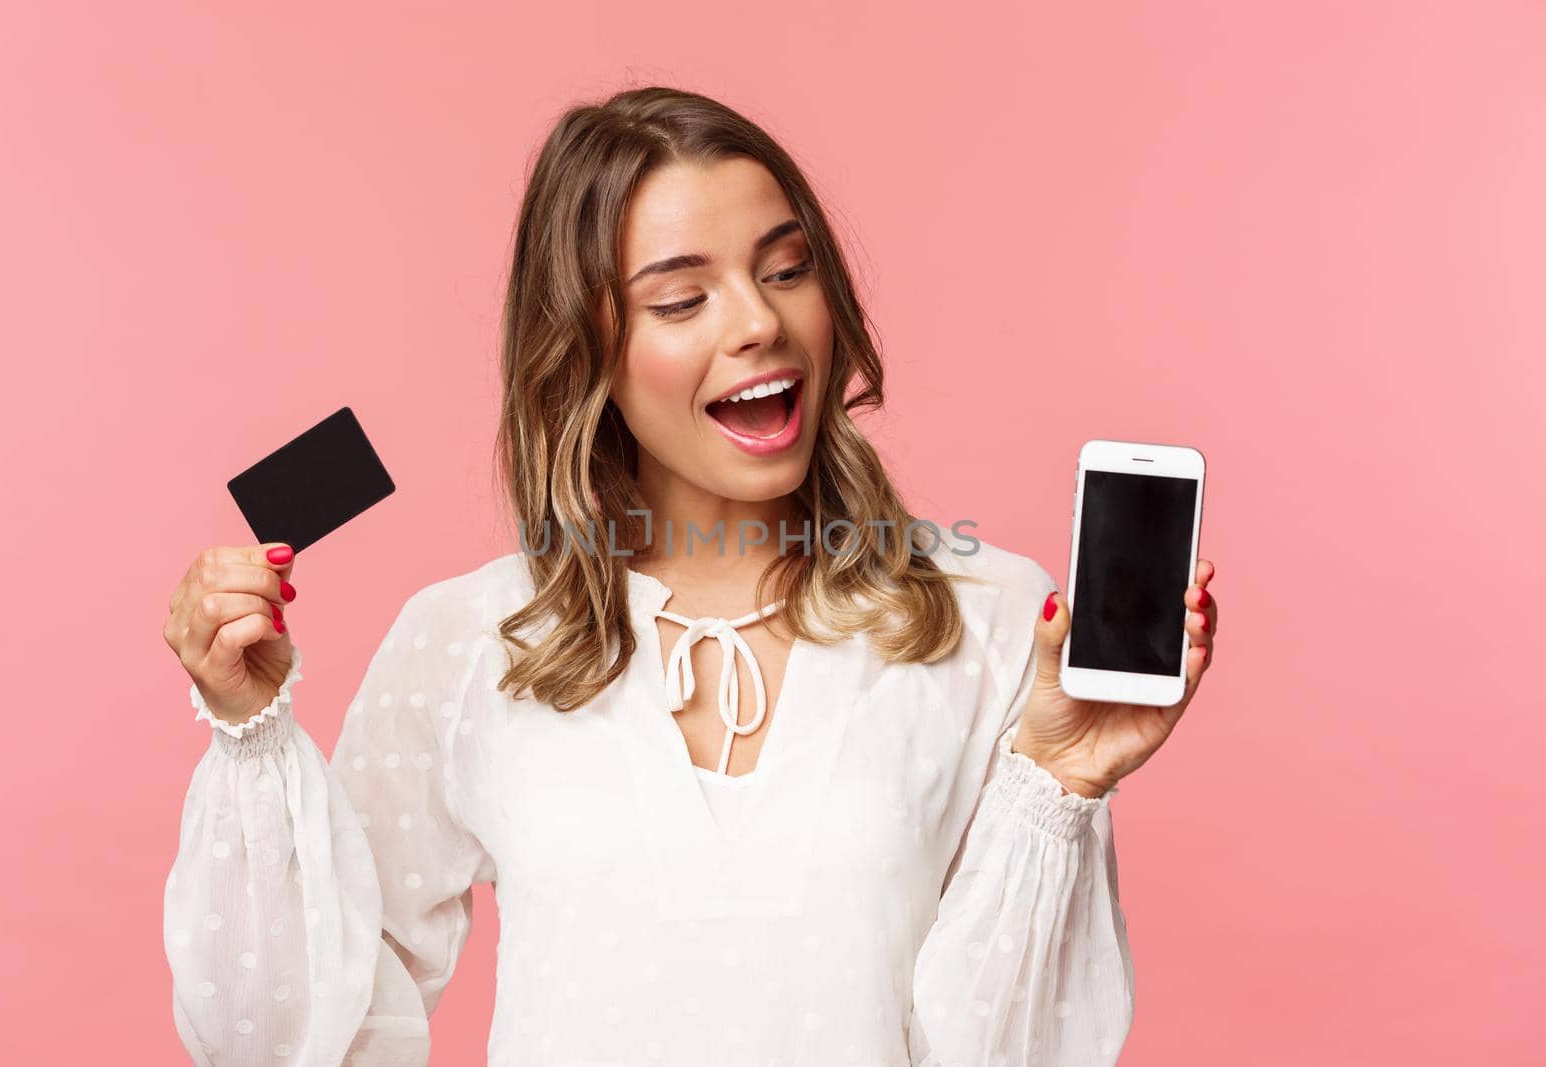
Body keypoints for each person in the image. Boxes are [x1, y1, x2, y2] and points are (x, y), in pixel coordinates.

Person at [160, 85, 1219, 1066]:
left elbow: (1005, 1051)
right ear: (585, 355)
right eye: (680, 300)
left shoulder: (986, 617)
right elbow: (302, 1041)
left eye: (786, 268)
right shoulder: (469, 637)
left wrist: (1058, 782)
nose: (758, 321)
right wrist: (251, 732)